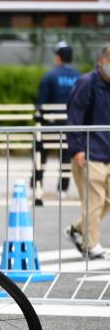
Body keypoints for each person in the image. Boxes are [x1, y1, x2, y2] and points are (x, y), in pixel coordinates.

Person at [64, 43, 110, 260]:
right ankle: (90, 244)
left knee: (106, 201)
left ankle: (77, 229)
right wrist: (77, 148)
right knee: (94, 200)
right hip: (89, 153)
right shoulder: (87, 83)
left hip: (107, 152)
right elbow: (75, 116)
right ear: (101, 61)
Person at [34, 41, 80, 200]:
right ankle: (63, 189)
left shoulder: (50, 76)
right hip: (70, 124)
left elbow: (41, 102)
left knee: (41, 152)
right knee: (66, 155)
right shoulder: (79, 77)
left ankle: (37, 184)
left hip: (50, 123)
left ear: (58, 57)